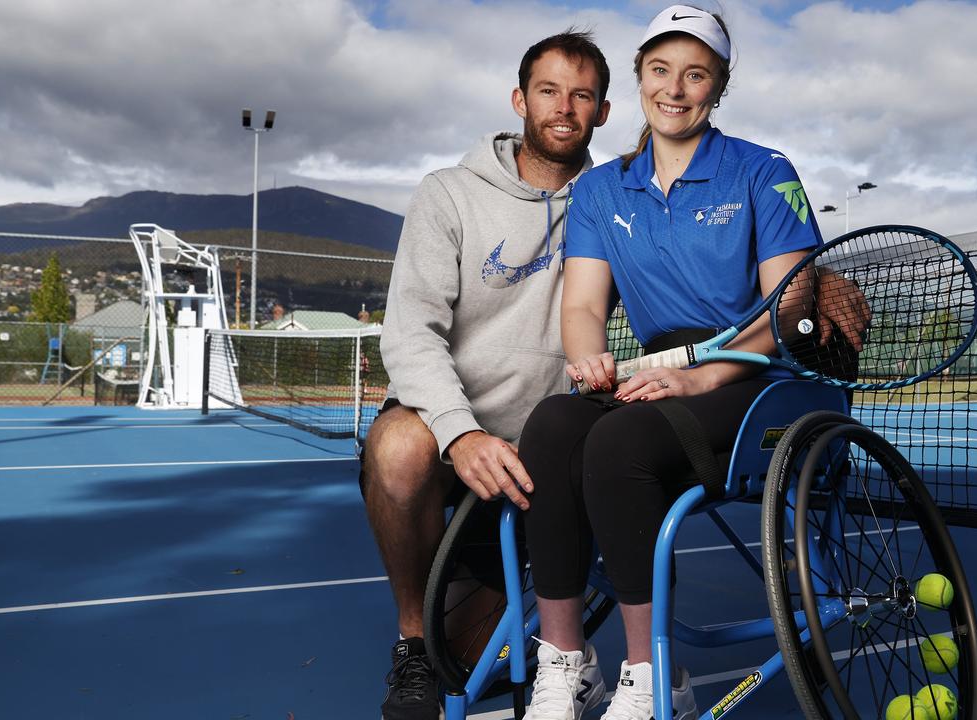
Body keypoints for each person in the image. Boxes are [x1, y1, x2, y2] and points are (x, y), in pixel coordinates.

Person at [516, 6, 866, 720]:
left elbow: (788, 312)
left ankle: (652, 679)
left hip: (765, 379)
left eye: (696, 74)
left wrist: (706, 374)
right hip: (660, 371)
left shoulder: (764, 172)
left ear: (719, 87)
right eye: (660, 71)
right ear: (641, 79)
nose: (675, 89)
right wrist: (589, 363)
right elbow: (584, 308)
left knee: (619, 443)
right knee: (553, 426)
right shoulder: (600, 190)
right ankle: (565, 665)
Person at [360, 30, 611, 720]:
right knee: (398, 449)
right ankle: (411, 646)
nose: (564, 107)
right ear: (520, 100)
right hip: (454, 435)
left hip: (545, 454)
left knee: (467, 663)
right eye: (549, 91)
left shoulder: (618, 201)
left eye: (582, 94)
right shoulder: (448, 194)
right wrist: (459, 434)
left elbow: (704, 258)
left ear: (603, 111)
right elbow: (411, 336)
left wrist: (814, 278)